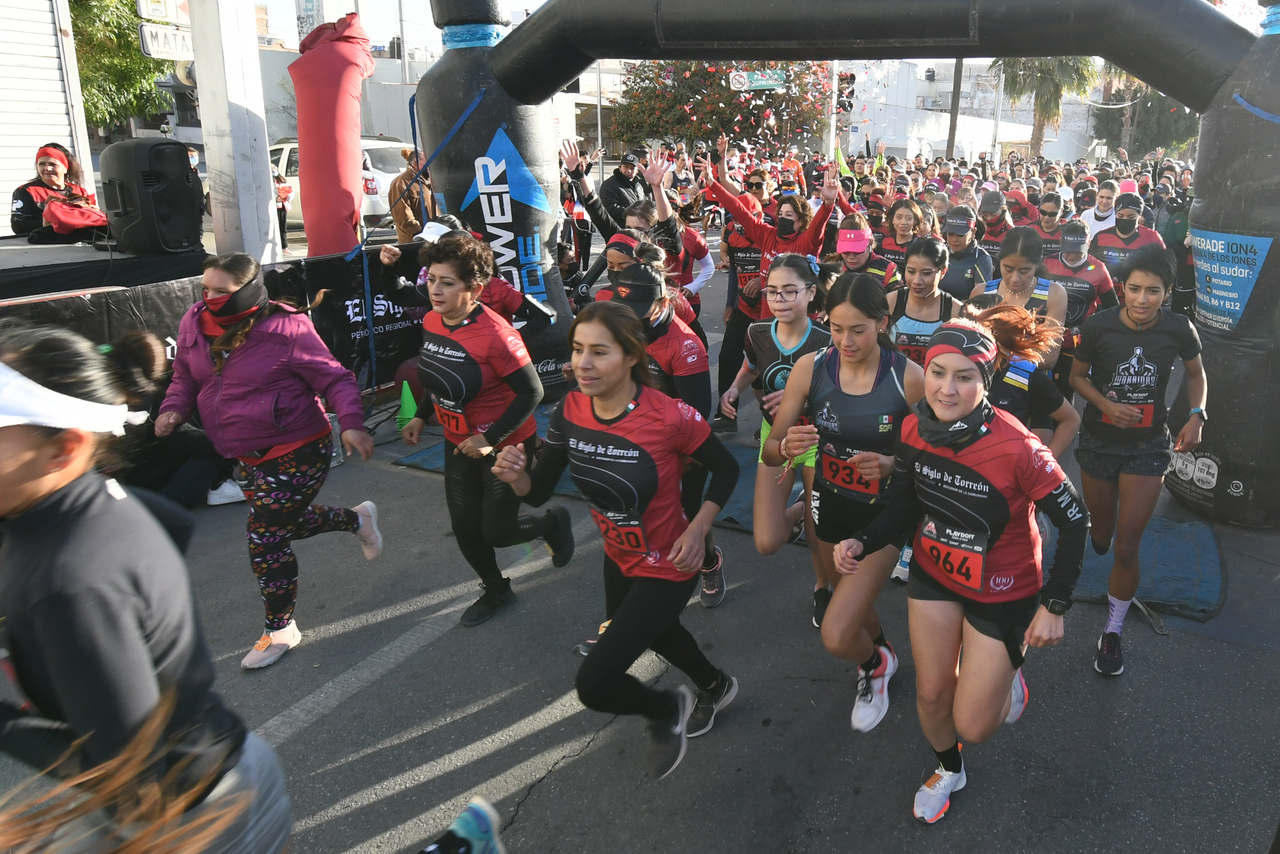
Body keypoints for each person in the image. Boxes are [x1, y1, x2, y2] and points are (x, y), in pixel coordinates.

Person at [0, 320, 292, 852]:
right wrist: (150, 629)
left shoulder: (72, 584)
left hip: (201, 815)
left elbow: (129, 772)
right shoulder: (84, 499)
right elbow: (172, 522)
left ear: (64, 448)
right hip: (195, 785)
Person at [836, 319, 1089, 824]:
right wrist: (863, 540)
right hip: (935, 571)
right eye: (938, 373)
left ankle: (1006, 670)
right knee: (932, 695)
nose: (947, 390)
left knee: (974, 724)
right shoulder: (913, 427)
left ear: (986, 380)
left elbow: (1075, 519)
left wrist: (1055, 604)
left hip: (1004, 586)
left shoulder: (1019, 446)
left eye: (965, 377)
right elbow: (903, 506)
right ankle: (949, 769)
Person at [492, 301, 740, 779]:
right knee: (659, 632)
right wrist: (516, 477)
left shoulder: (669, 416)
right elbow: (538, 492)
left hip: (670, 561)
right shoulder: (570, 409)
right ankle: (715, 685)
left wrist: (698, 528)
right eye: (577, 349)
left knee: (595, 682)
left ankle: (666, 708)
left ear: (631, 356)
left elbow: (727, 469)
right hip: (619, 554)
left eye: (599, 352)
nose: (582, 363)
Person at [157, 253, 383, 669]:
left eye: (221, 291)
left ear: (247, 291)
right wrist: (173, 408)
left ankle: (280, 630)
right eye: (204, 289)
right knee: (284, 523)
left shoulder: (286, 327)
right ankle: (357, 520)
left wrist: (351, 423)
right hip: (244, 452)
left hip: (299, 447)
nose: (208, 298)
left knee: (266, 538)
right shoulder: (194, 320)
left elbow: (335, 377)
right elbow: (185, 376)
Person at [763, 273, 925, 733]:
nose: (845, 341)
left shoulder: (908, 377)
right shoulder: (811, 368)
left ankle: (873, 665)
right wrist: (788, 445)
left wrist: (894, 464)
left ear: (882, 322)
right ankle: (880, 655)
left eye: (858, 329)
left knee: (836, 634)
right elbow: (771, 450)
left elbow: (936, 455)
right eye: (836, 328)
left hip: (884, 515)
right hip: (828, 504)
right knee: (852, 608)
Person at [400, 235, 575, 626]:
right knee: (464, 527)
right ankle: (496, 589)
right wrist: (420, 415)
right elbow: (440, 376)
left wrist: (488, 439)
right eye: (432, 279)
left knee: (497, 531)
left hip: (505, 443)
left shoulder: (497, 334)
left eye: (448, 283)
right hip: (457, 442)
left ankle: (551, 524)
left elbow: (532, 392)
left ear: (475, 289)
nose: (435, 290)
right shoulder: (432, 320)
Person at [1069, 244, 1205, 677]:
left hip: (1148, 445)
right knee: (1102, 535)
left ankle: (1112, 631)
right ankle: (1100, 533)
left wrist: (1197, 415)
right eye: (1134, 289)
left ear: (1168, 292)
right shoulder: (1098, 326)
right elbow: (1076, 377)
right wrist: (1106, 406)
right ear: (1122, 288)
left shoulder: (1179, 327)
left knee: (1127, 546)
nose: (1142, 299)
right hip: (1099, 442)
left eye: (1153, 291)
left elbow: (1197, 373)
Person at [720, 254, 834, 623]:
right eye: (772, 292)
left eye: (789, 291)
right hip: (775, 436)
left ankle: (823, 587)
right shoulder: (756, 332)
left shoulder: (827, 340)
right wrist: (733, 389)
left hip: (816, 439)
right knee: (767, 541)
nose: (779, 300)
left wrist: (799, 394)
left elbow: (843, 394)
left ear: (811, 293)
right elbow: (751, 367)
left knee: (818, 536)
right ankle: (800, 510)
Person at [969, 304, 1082, 459]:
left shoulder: (1026, 375)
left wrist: (1042, 464)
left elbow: (1071, 420)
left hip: (1006, 464)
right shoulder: (955, 366)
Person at [967, 227, 1068, 370]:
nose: (1015, 278)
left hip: (1032, 382)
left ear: (1037, 265)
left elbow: (1048, 357)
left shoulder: (1054, 294)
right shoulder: (981, 292)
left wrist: (992, 353)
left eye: (1024, 271)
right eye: (1008, 269)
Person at [1043, 220, 1118, 400]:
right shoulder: (1046, 264)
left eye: (1078, 250)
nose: (1072, 255)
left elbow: (1113, 309)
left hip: (1076, 343)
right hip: (1046, 340)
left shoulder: (1098, 268)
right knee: (1041, 390)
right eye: (1068, 249)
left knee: (1066, 391)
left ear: (1088, 244)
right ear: (1061, 243)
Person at [887, 237, 963, 366]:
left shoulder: (956, 312)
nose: (917, 281)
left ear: (943, 272)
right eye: (911, 271)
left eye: (926, 273)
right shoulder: (890, 303)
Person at [10, 142, 103, 241]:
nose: (47, 168)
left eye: (52, 164)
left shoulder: (80, 191)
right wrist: (52, 220)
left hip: (79, 243)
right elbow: (19, 226)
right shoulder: (26, 191)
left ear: (66, 168)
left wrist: (94, 213)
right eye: (42, 164)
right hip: (45, 244)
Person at [1089, 192, 1167, 285]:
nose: (1125, 219)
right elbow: (1089, 267)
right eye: (1120, 216)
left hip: (1139, 291)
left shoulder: (1152, 238)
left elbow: (1163, 270)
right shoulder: (1101, 237)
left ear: (1139, 217)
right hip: (1105, 291)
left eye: (1131, 216)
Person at [828, 213, 901, 291]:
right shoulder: (831, 269)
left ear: (870, 243)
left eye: (857, 251)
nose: (851, 257)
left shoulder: (889, 270)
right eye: (846, 251)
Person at [938, 205, 994, 301]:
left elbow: (980, 301)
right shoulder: (939, 252)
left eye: (960, 234)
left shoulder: (981, 258)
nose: (954, 239)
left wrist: (948, 306)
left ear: (973, 232)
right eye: (950, 234)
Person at [389, 147, 438, 244]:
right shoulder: (401, 183)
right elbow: (403, 217)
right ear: (416, 164)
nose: (431, 167)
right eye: (428, 164)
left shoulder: (431, 180)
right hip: (413, 242)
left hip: (433, 239)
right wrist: (421, 234)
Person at [598, 152, 652, 224]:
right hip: (618, 227)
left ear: (637, 171)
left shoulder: (638, 185)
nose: (628, 170)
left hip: (638, 226)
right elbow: (610, 209)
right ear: (620, 168)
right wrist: (635, 213)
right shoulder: (609, 185)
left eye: (632, 168)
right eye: (626, 167)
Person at [976, 190, 1012, 256]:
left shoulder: (1013, 235)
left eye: (993, 215)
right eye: (985, 215)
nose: (989, 219)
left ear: (1003, 212)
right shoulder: (977, 232)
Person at [1030, 191, 1064, 255]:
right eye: (1043, 212)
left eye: (1052, 214)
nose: (1046, 217)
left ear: (1061, 211)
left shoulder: (1067, 231)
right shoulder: (1030, 229)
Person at [272, 166, 293, 254]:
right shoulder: (268, 180)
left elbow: (291, 191)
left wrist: (287, 197)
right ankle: (275, 247)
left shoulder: (282, 180)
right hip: (274, 206)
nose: (273, 170)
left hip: (283, 205)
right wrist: (276, 198)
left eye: (274, 168)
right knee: (273, 228)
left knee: (283, 227)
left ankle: (284, 247)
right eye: (272, 169)